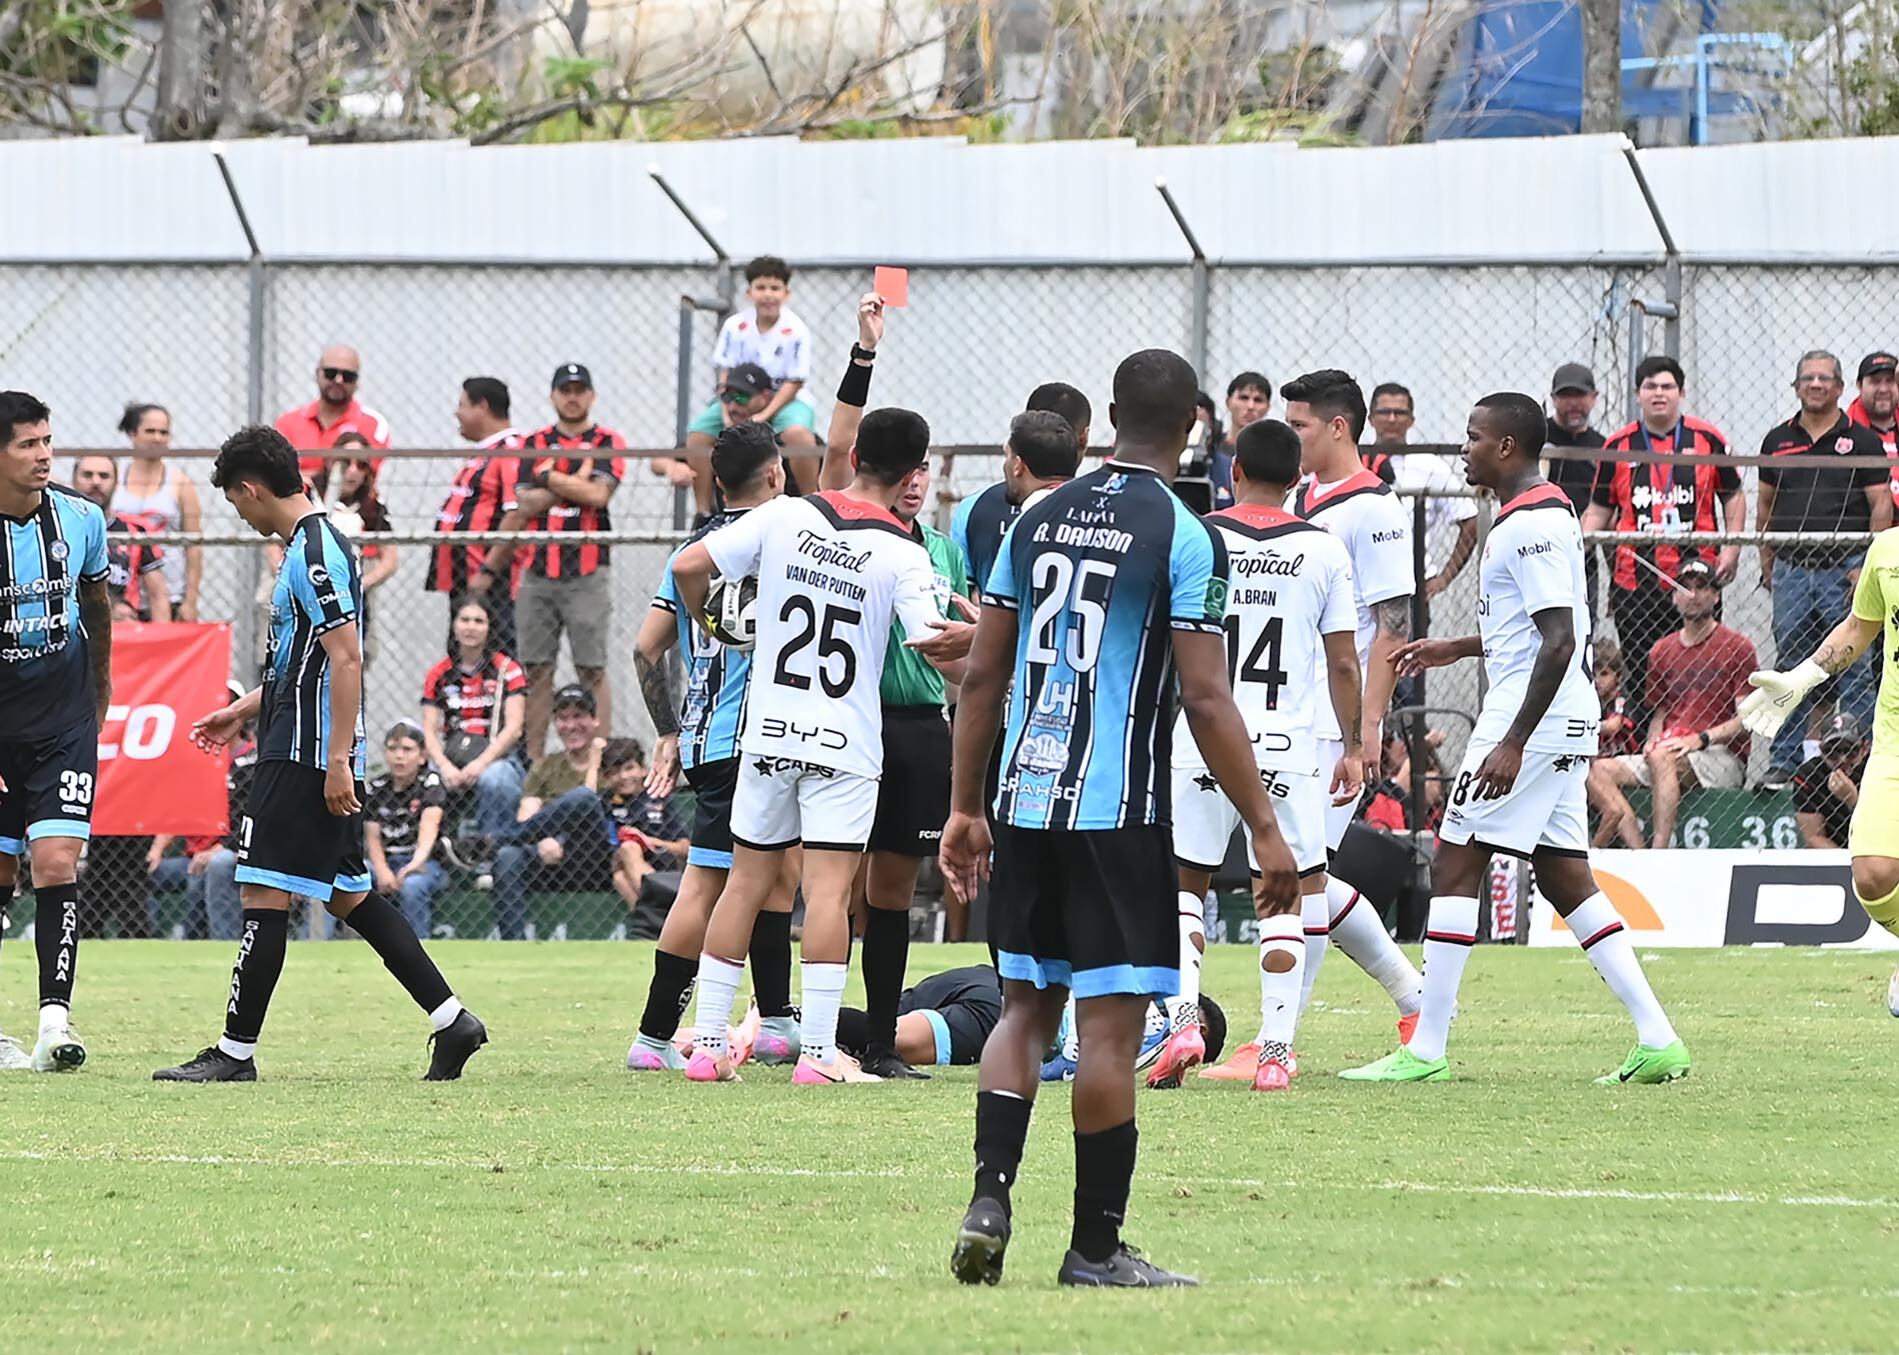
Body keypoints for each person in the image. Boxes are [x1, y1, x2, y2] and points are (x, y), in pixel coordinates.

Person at [940, 347, 1299, 1290]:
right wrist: (1263, 828)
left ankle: (989, 1199)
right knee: (1106, 1031)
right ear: (1193, 425)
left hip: (1021, 800)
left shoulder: (1034, 514)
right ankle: (1094, 1249)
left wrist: (964, 806)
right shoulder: (1186, 535)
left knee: (1023, 1007)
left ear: (1104, 415)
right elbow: (1207, 699)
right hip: (1120, 812)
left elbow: (981, 672)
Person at [1342, 392, 1689, 1085]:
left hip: (1528, 719)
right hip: (1555, 714)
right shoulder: (1538, 511)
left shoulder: (1528, 521)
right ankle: (1657, 1037)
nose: (1464, 447)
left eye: (1472, 437)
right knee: (1565, 876)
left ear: (1505, 447)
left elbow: (1559, 641)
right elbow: (1538, 630)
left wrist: (1510, 741)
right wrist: (1460, 646)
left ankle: (1426, 1045)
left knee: (1453, 862)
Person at [673, 298, 951, 1088]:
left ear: (855, 452)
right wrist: (973, 642)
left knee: (748, 877)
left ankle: (707, 1042)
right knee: (829, 890)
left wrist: (723, 630)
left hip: (768, 729)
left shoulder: (788, 512)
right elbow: (931, 646)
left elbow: (690, 568)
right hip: (843, 739)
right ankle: (822, 1053)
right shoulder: (902, 550)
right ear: (913, 474)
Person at [153, 425, 485, 1084]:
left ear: (250, 489)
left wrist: (337, 759)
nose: (241, 515)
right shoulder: (306, 547)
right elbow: (298, 663)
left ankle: (235, 1052)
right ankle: (453, 1021)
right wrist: (241, 709)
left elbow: (347, 655)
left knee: (261, 888)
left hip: (304, 757)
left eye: (237, 502)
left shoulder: (313, 551)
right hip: (299, 743)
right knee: (350, 898)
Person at [1173, 418, 1364, 1093]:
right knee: (1281, 892)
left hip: (1200, 731)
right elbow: (1343, 661)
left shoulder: (1199, 536)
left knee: (1184, 884)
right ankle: (1276, 1050)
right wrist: (1354, 744)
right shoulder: (1323, 548)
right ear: (1298, 479)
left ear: (1232, 472)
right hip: (1285, 741)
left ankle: (1181, 1021)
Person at [627, 420, 801, 1073]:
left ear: (715, 480)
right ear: (776, 476)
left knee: (776, 872)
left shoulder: (696, 544)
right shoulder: (773, 543)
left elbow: (646, 648)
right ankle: (652, 1037)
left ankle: (779, 1020)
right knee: (707, 881)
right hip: (741, 737)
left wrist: (668, 728)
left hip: (707, 732)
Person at [832, 352, 972, 1082]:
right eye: (907, 468)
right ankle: (803, 1028)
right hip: (852, 721)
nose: (916, 480)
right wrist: (864, 352)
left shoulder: (944, 552)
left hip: (919, 732)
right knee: (830, 884)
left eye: (925, 469)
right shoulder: (846, 533)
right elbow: (834, 448)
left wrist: (985, 666)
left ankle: (880, 1041)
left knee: (889, 891)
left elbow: (952, 655)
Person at [1283, 368, 1426, 1034]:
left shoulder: (1374, 507)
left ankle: (1276, 1037)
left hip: (1332, 719)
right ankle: (1414, 999)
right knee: (1298, 868)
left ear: (1337, 426)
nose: (1290, 437)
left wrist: (1364, 727)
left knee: (1299, 874)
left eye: (1299, 425)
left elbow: (1392, 626)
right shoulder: (1300, 497)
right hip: (1289, 710)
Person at [1741, 520, 1899, 1015]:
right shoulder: (1887, 550)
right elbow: (1858, 627)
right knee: (1872, 876)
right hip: (1894, 741)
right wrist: (1803, 677)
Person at [0, 391, 112, 1073]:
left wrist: (100, 691)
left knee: (56, 862)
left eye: (48, 441)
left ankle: (54, 1024)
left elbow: (98, 607)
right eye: (28, 443)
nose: (45, 454)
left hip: (65, 722)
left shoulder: (82, 519)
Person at [1582, 356, 1743, 730]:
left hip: (1695, 581)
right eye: (1650, 386)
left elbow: (1734, 496)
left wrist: (1732, 550)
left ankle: (1699, 745)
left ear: (1681, 393)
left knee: (1700, 668)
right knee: (1641, 669)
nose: (1659, 394)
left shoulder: (1708, 439)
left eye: (1667, 386)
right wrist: (1575, 544)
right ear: (1638, 394)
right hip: (1635, 583)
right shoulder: (1617, 444)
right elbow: (1599, 508)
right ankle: (1642, 752)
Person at [1756, 350, 1893, 785]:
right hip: (1792, 570)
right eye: (1808, 378)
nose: (1816, 385)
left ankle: (1860, 756)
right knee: (1791, 664)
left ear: (1839, 388)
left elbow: (1881, 506)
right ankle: (1784, 761)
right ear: (1796, 387)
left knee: (1854, 663)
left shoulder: (1863, 440)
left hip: (1847, 568)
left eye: (1825, 378)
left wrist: (1865, 568)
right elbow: (1764, 505)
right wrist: (1767, 565)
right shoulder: (1777, 440)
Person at [479, 364, 624, 759]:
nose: (572, 396)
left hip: (587, 571)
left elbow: (599, 497)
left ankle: (600, 761)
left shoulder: (608, 440)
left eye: (580, 389)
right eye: (565, 390)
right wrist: (575, 479)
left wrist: (550, 477)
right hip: (538, 572)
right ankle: (536, 764)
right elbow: (524, 503)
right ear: (553, 396)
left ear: (592, 395)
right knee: (537, 670)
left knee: (591, 668)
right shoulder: (534, 442)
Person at [1584, 559, 1756, 849]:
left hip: (1720, 755)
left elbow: (1747, 721)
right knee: (1596, 770)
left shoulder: (1738, 647)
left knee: (1663, 756)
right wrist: (1653, 742)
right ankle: (1640, 854)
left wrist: (1698, 740)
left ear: (1716, 596)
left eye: (1701, 587)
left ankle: (1659, 853)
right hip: (1669, 751)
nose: (1692, 594)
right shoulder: (1661, 650)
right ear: (1674, 596)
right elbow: (1661, 712)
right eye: (1685, 587)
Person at [679, 255, 820, 509]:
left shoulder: (796, 330)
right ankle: (703, 510)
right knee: (698, 434)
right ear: (749, 292)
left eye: (775, 288)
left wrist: (765, 414)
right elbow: (726, 371)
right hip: (740, 397)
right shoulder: (735, 326)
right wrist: (726, 408)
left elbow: (795, 381)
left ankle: (814, 503)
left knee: (800, 436)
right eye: (761, 288)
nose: (768, 295)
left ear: (786, 293)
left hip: (784, 400)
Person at [487, 684, 611, 941]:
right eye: (563, 718)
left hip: (591, 856)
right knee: (508, 855)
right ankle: (514, 945)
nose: (571, 725)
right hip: (547, 854)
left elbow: (592, 801)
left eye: (579, 716)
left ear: (595, 720)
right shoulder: (546, 766)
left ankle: (497, 840)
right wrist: (544, 839)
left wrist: (596, 760)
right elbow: (526, 816)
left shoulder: (613, 759)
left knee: (584, 799)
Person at [421, 595, 528, 845]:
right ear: (454, 626)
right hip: (452, 755)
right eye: (465, 620)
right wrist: (444, 766)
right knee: (430, 778)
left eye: (479, 621)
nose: (471, 627)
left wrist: (481, 764)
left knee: (496, 779)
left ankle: (490, 854)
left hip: (496, 757)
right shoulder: (439, 674)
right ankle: (438, 853)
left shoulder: (507, 669)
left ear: (490, 627)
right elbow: (429, 729)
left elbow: (514, 728)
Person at [951, 410, 1082, 612]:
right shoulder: (1099, 516)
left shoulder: (1023, 525)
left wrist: (975, 634)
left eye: (1007, 455)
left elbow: (999, 620)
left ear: (1018, 466)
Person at [431, 377, 523, 654]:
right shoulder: (485, 453)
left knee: (498, 654)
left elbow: (515, 513)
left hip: (494, 583)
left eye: (462, 405)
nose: (456, 413)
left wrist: (488, 570)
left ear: (482, 407)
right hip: (464, 576)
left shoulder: (510, 450)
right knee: (464, 658)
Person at [1367, 383, 1478, 599]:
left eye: (1399, 413)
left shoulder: (1429, 466)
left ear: (1411, 420)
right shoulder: (1355, 462)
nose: (1392, 419)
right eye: (1384, 412)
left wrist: (1444, 579)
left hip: (1411, 584)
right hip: (1360, 583)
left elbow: (1471, 522)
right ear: (1370, 419)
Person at [114, 402, 203, 621]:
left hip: (169, 594)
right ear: (133, 434)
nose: (157, 438)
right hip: (122, 598)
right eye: (150, 431)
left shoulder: (180, 483)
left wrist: (190, 601)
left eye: (163, 432)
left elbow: (194, 546)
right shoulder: (114, 477)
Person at [363, 720, 449, 938]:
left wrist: (414, 864)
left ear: (422, 756)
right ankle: (322, 940)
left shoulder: (430, 783)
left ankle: (416, 950)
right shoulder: (376, 787)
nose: (399, 756)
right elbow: (372, 837)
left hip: (424, 863)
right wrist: (382, 871)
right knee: (344, 877)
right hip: (384, 862)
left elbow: (430, 826)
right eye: (392, 749)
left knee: (413, 886)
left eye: (407, 749)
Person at [323, 433, 398, 666]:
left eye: (361, 465)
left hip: (351, 595)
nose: (353, 471)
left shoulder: (371, 504)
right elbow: (275, 544)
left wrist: (362, 583)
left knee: (350, 663)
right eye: (346, 462)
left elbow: (391, 556)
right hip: (308, 588)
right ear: (331, 462)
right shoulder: (309, 493)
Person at [71, 455, 170, 622]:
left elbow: (158, 595)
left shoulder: (136, 530)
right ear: (73, 481)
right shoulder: (56, 527)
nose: (96, 482)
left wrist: (165, 643)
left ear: (116, 483)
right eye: (87, 475)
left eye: (104, 476)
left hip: (124, 629)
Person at [273, 344, 392, 477]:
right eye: (330, 373)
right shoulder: (287, 423)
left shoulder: (373, 424)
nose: (338, 380)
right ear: (317, 374)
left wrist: (302, 477)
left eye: (348, 376)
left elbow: (362, 477)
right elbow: (276, 476)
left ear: (357, 382)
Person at [1546, 364, 1608, 616]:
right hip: (1538, 547)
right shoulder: (1537, 437)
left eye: (1580, 396)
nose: (1573, 404)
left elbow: (1610, 507)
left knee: (1583, 626)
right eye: (1565, 396)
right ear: (1553, 400)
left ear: (1594, 398)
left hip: (1583, 554)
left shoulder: (1602, 448)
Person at [1791, 714, 1869, 850]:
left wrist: (1853, 801)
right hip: (1833, 852)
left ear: (1864, 749)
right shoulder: (1810, 774)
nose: (1842, 759)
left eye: (1850, 751)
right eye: (1832, 751)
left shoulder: (1877, 769)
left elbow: (1887, 829)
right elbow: (1813, 837)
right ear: (1821, 749)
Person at [1846, 350, 1899, 503]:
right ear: (1859, 385)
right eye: (1875, 381)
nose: (1883, 389)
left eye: (1890, 381)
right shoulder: (1843, 433)